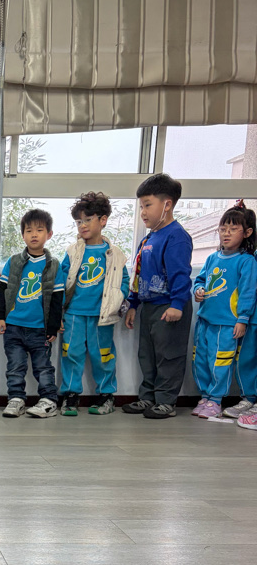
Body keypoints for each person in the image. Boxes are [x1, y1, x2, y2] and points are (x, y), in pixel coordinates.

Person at [122, 174, 193, 419]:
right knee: (148, 354)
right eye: (141, 206)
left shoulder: (176, 236)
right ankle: (148, 397)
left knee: (168, 355)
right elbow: (138, 273)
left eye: (147, 205)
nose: (143, 212)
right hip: (149, 306)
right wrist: (133, 304)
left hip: (169, 306)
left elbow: (180, 274)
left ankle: (165, 401)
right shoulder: (149, 238)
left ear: (167, 205)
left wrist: (177, 304)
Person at [57, 191, 130, 417]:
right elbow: (62, 281)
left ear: (103, 220)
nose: (83, 225)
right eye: (79, 222)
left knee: (103, 355)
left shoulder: (115, 254)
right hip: (74, 315)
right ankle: (70, 395)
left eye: (88, 220)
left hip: (102, 316)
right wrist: (58, 313)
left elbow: (124, 281)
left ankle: (106, 395)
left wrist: (118, 300)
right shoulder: (72, 251)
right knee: (71, 354)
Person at [0, 209, 64, 419]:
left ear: (49, 234)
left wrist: (53, 326)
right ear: (22, 235)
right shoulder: (14, 261)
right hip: (13, 326)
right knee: (15, 367)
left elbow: (57, 298)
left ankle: (49, 401)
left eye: (40, 230)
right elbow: (3, 290)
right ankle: (16, 399)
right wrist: (0, 317)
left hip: (40, 329)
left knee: (43, 367)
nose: (34, 234)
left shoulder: (53, 265)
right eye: (29, 230)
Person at [191, 201, 257, 419]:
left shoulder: (247, 261)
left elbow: (248, 292)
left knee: (220, 362)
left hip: (227, 323)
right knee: (200, 360)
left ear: (247, 233)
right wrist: (198, 289)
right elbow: (200, 280)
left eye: (233, 229)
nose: (226, 233)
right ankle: (205, 396)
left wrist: (243, 319)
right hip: (204, 319)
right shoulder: (212, 258)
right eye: (222, 228)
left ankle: (216, 399)